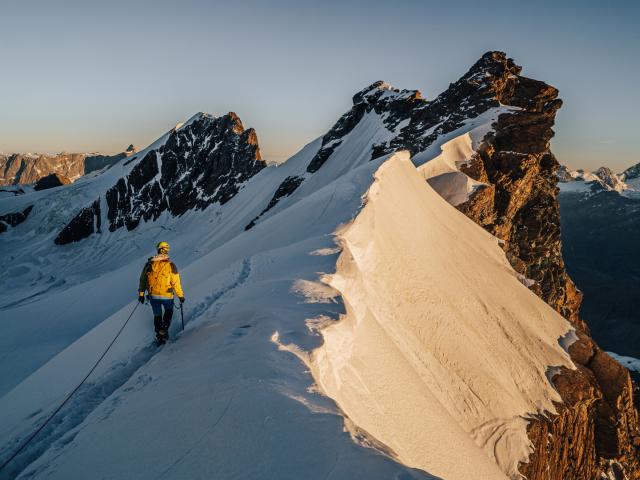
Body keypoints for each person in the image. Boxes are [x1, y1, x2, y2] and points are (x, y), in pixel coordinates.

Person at [138, 241, 185, 344]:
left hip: (153, 296)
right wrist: (181, 296)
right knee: (169, 310)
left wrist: (141, 295)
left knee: (157, 315)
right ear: (166, 250)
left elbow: (142, 280)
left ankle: (159, 335)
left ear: (158, 250)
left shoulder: (149, 265)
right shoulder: (171, 265)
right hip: (167, 296)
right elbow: (176, 283)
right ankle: (164, 329)